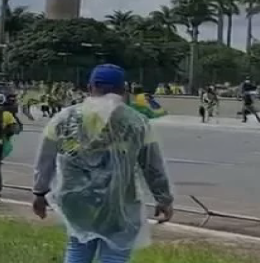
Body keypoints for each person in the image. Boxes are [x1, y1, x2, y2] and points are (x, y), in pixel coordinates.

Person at [32, 64, 174, 263]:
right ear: (123, 90)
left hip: (76, 202)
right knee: (115, 254)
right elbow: (152, 166)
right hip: (119, 203)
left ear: (90, 87)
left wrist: (39, 192)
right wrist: (163, 198)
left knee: (78, 248)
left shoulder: (64, 118)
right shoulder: (138, 122)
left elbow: (45, 157)